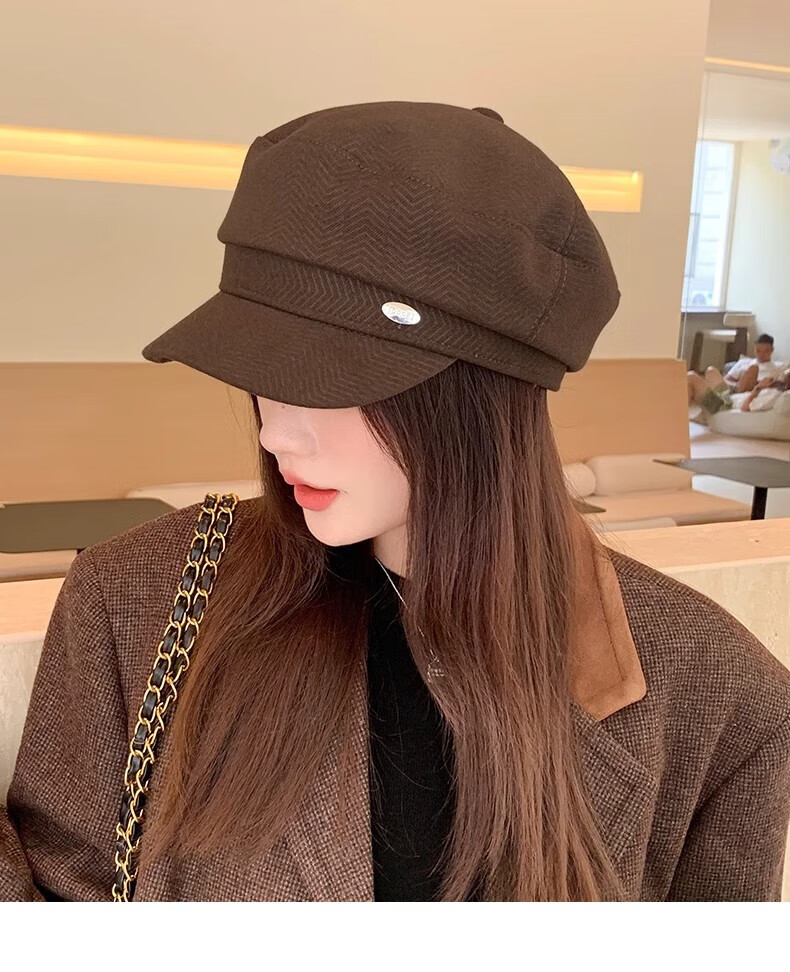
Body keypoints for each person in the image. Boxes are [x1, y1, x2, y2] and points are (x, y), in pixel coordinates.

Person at [2, 102, 790, 903]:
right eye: (261, 370)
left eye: (325, 378)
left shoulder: (722, 699)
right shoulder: (134, 602)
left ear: (478, 394)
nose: (276, 433)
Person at [687, 333, 786, 417]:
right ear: (754, 349)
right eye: (758, 351)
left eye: (766, 351)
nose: (761, 354)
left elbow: (771, 389)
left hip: (740, 394)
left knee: (753, 369)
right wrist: (736, 385)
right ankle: (700, 398)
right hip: (730, 390)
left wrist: (757, 386)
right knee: (711, 370)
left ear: (772, 350)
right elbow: (726, 379)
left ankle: (696, 400)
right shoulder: (744, 362)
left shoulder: (776, 370)